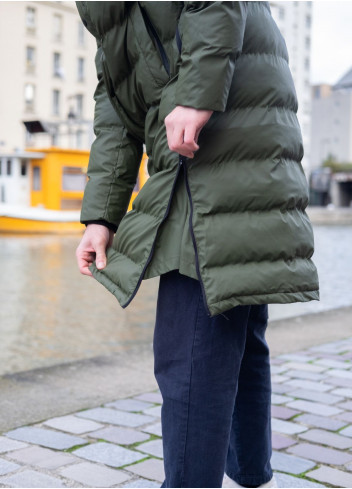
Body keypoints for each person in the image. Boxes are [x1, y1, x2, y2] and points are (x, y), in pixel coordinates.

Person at [75, 2, 319, 487]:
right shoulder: (108, 15)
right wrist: (101, 216)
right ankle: (252, 474)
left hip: (226, 143)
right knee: (236, 327)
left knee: (189, 353)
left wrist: (196, 92)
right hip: (221, 150)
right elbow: (117, 112)